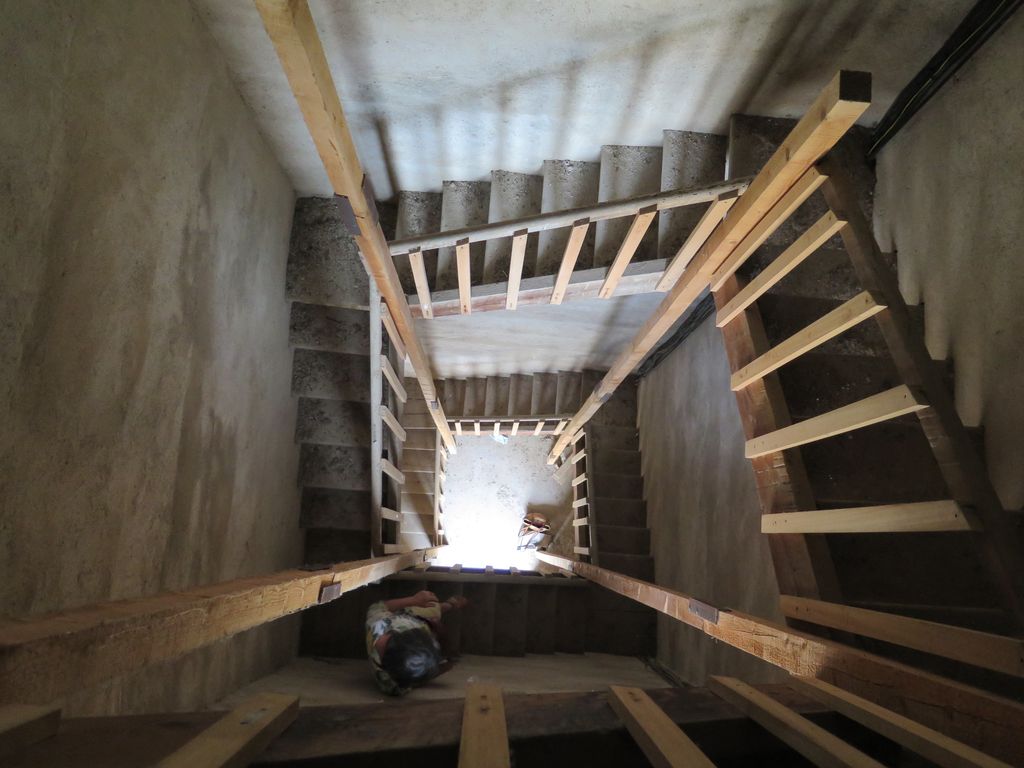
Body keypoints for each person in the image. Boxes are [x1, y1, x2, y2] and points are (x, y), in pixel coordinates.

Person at [365, 589, 469, 695]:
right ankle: (447, 606)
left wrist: (413, 600)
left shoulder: (378, 623)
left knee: (427, 609)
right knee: (432, 612)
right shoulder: (396, 684)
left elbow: (377, 607)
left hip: (403, 614)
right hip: (422, 622)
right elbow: (443, 666)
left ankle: (444, 607)